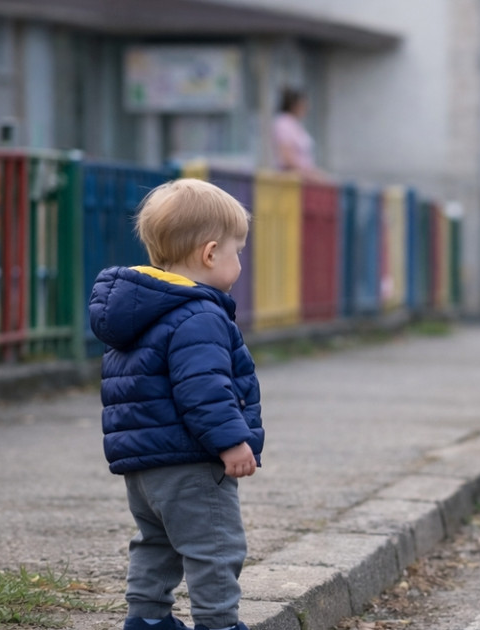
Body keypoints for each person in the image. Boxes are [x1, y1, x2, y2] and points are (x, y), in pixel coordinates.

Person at [89, 179, 264, 630]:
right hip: (191, 459)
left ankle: (147, 619)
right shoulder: (199, 314)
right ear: (210, 254)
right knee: (216, 546)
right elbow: (203, 388)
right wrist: (231, 442)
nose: (238, 261)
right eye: (237, 251)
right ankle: (219, 622)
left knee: (156, 542)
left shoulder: (141, 311)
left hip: (144, 463)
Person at [272, 87, 329, 182]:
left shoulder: (295, 124)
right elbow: (287, 158)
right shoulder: (283, 123)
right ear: (295, 105)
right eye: (304, 105)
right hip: (293, 181)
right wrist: (310, 174)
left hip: (303, 177)